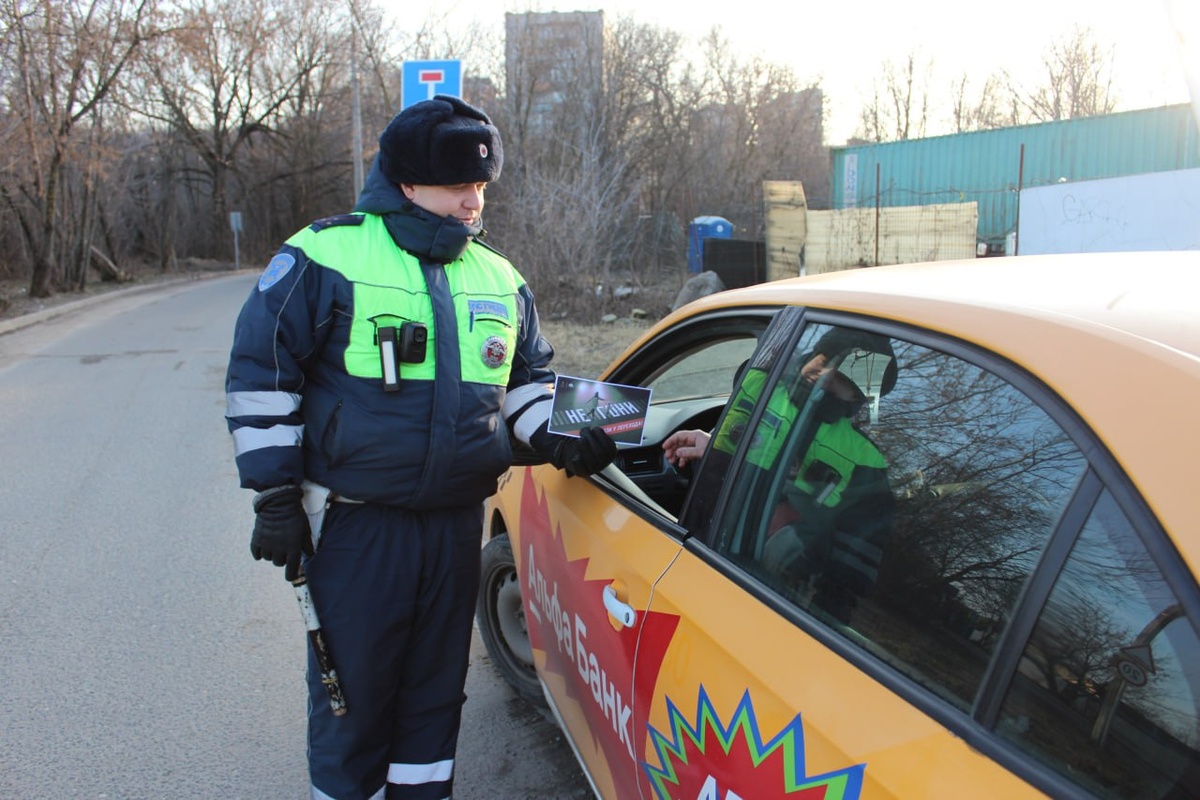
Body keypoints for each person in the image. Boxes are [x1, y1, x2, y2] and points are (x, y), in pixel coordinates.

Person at [224, 95, 616, 800]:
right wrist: (274, 494)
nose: (473, 202)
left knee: (434, 699)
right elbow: (262, 375)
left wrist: (562, 437)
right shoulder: (325, 253)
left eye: (481, 186)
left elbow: (525, 385)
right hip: (356, 527)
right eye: (457, 186)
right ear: (405, 182)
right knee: (354, 699)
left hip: (454, 525)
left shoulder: (500, 277)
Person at [664, 327, 896, 622]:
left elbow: (849, 571)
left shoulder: (864, 459)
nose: (824, 375)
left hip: (766, 598)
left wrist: (820, 623)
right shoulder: (758, 384)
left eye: (841, 377)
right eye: (824, 360)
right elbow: (721, 470)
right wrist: (710, 450)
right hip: (694, 550)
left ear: (858, 396)